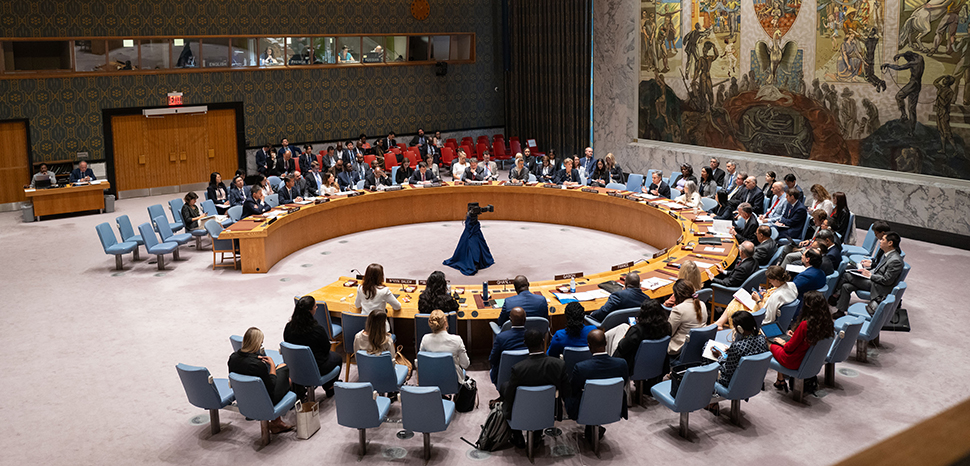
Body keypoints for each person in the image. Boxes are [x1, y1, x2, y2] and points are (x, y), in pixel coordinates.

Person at [503, 329, 570, 449]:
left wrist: (506, 412)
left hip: (522, 409)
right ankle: (538, 433)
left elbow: (510, 395)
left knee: (505, 388)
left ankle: (517, 435)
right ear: (543, 342)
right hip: (549, 410)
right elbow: (566, 391)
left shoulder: (518, 369)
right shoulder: (558, 365)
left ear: (525, 343)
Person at [566, 329, 628, 442]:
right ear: (606, 343)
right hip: (614, 405)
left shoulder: (581, 368)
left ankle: (590, 426)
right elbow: (624, 384)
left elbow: (573, 390)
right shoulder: (621, 364)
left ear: (589, 346)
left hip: (586, 408)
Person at [228, 327, 293, 433]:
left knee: (280, 369)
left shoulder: (233, 358)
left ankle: (277, 422)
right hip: (264, 399)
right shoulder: (258, 365)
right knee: (284, 370)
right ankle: (277, 422)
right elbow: (271, 386)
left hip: (244, 398)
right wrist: (271, 365)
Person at [770, 291, 834, 390]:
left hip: (795, 360)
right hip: (809, 359)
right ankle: (780, 380)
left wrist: (782, 342)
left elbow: (789, 348)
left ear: (807, 305)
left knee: (771, 343)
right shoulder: (827, 323)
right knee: (780, 342)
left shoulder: (805, 324)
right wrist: (795, 336)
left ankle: (778, 379)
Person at [284, 296, 342, 398]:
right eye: (315, 306)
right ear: (310, 311)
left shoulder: (288, 328)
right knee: (337, 358)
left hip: (295, 365)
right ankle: (329, 387)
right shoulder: (317, 330)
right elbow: (326, 348)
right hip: (317, 366)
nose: (316, 308)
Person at [835, 231, 903, 316]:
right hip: (874, 281)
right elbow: (878, 269)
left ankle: (834, 295)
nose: (880, 241)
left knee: (847, 275)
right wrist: (865, 272)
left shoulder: (895, 261)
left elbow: (887, 280)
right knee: (846, 286)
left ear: (890, 243)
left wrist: (870, 276)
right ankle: (840, 311)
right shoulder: (887, 254)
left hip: (879, 287)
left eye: (882, 240)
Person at [715, 265, 796, 329]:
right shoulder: (791, 285)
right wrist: (765, 294)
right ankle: (720, 323)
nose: (770, 282)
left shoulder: (777, 296)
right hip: (765, 305)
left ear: (777, 280)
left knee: (735, 303)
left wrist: (758, 300)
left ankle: (719, 323)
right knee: (737, 300)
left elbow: (766, 316)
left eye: (770, 280)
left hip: (759, 316)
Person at [609, 298, 672, 373]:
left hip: (633, 366)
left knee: (614, 339)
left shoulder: (638, 330)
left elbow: (622, 347)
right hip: (656, 364)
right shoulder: (667, 327)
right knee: (622, 327)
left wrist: (628, 331)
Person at [710, 311, 769, 388]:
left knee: (709, 363)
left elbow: (727, 370)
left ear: (740, 329)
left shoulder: (737, 347)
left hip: (733, 383)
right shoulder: (762, 340)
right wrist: (730, 353)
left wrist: (720, 357)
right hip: (753, 381)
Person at [442, 202, 495, 275]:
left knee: (475, 244)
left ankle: (476, 262)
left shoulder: (473, 216)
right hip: (471, 228)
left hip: (474, 228)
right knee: (473, 244)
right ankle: (474, 262)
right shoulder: (470, 217)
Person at [419, 309, 469, 382]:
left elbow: (422, 363)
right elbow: (465, 364)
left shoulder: (425, 339)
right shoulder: (457, 340)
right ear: (446, 323)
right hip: (452, 381)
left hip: (431, 380)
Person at [667, 279, 708, 355]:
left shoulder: (678, 309)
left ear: (676, 295)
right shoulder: (702, 304)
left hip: (680, 348)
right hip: (699, 345)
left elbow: (669, 332)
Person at [489, 307, 527, 384]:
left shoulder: (501, 337)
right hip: (527, 375)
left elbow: (492, 359)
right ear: (525, 319)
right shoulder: (533, 336)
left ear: (510, 320)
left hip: (504, 378)